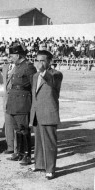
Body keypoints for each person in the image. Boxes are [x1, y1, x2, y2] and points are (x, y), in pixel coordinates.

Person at [29, 50, 63, 180]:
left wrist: (43, 71)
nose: (39, 63)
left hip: (49, 112)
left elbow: (51, 80)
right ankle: (39, 164)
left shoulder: (56, 74)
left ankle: (50, 169)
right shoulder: (35, 76)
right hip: (37, 112)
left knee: (49, 143)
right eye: (37, 60)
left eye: (42, 60)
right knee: (38, 141)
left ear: (50, 61)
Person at [3, 43, 37, 165]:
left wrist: (33, 105)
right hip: (13, 100)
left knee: (24, 129)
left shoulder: (28, 67)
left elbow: (34, 86)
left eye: (11, 55)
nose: (10, 58)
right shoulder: (17, 66)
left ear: (17, 55)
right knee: (17, 129)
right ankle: (19, 153)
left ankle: (27, 155)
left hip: (23, 102)